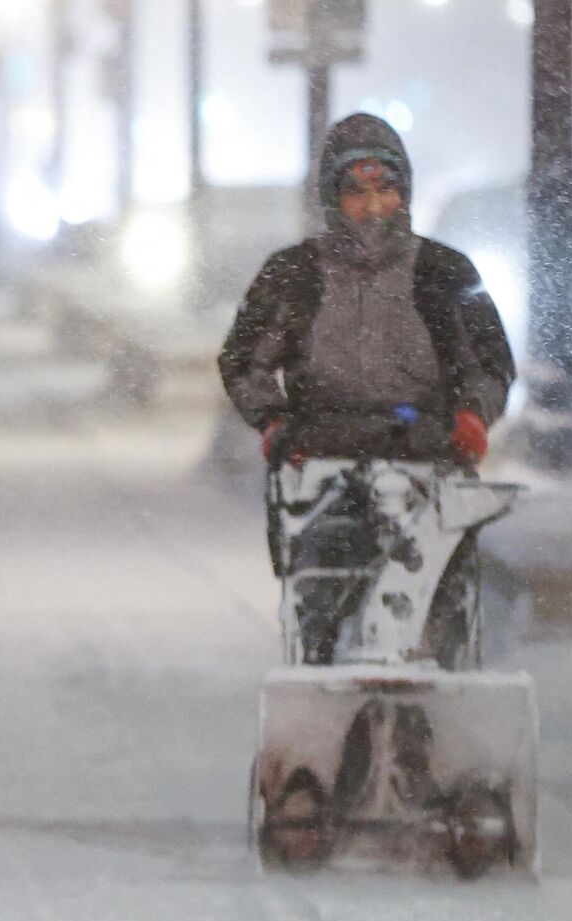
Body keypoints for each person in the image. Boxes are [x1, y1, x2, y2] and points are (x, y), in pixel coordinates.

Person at [217, 113, 514, 664]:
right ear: (333, 198)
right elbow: (244, 362)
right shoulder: (294, 275)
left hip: (427, 464)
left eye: (385, 188)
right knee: (323, 617)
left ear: (405, 192)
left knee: (436, 616)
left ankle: (440, 720)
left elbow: (490, 364)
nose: (373, 205)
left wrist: (472, 419)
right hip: (324, 471)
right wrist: (274, 423)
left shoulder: (444, 272)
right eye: (356, 192)